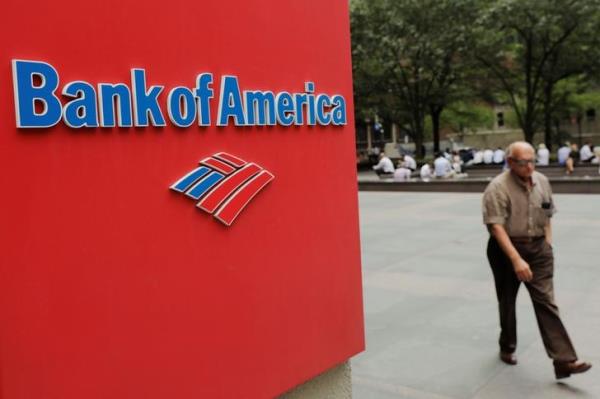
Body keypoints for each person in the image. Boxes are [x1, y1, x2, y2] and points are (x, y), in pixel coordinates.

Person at [482, 141, 591, 379]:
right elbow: (496, 227)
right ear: (510, 162)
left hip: (539, 248)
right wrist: (516, 260)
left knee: (546, 302)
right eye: (524, 162)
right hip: (506, 250)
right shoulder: (497, 187)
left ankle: (564, 361)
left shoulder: (542, 180)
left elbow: (547, 212)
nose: (530, 166)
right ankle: (507, 346)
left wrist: (547, 243)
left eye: (533, 161)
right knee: (507, 301)